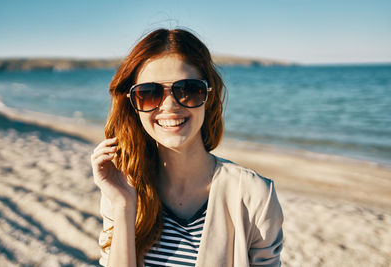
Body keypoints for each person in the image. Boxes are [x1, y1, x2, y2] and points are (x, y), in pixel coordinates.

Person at [91, 28, 283, 267]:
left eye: (188, 90)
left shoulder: (254, 195)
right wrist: (123, 206)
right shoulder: (124, 186)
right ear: (133, 105)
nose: (170, 106)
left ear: (208, 97)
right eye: (149, 93)